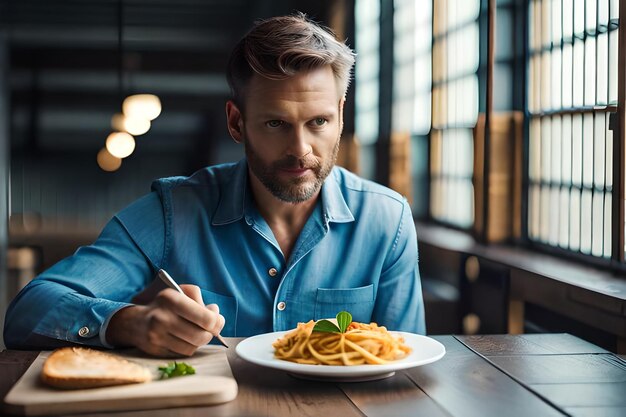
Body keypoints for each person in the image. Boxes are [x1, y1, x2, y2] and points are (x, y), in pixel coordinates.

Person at [4, 13, 425, 357]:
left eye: (318, 122)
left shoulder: (388, 221)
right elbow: (28, 311)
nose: (301, 149)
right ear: (236, 123)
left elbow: (408, 357)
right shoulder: (174, 211)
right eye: (276, 123)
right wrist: (132, 322)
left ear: (340, 114)